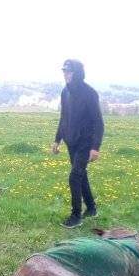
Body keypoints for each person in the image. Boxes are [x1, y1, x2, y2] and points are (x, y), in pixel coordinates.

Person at [52, 59, 104, 228]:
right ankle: (91, 208)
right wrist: (57, 140)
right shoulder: (65, 92)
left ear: (77, 73)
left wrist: (95, 147)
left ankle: (76, 216)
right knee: (81, 175)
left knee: (74, 177)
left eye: (69, 71)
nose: (65, 74)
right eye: (64, 71)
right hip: (71, 141)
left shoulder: (90, 93)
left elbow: (99, 123)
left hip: (85, 142)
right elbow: (63, 118)